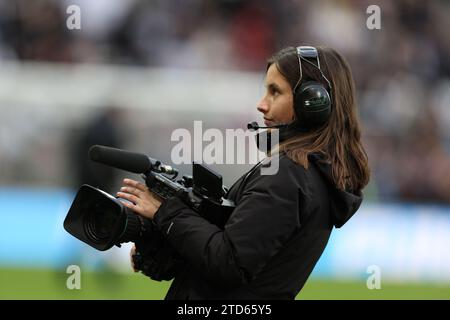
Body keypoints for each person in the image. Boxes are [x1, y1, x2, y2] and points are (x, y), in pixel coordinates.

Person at [116, 46, 370, 299]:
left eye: (275, 92)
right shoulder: (311, 174)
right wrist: (163, 245)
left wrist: (165, 211)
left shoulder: (289, 173)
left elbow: (229, 263)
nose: (261, 105)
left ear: (312, 102)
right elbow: (235, 260)